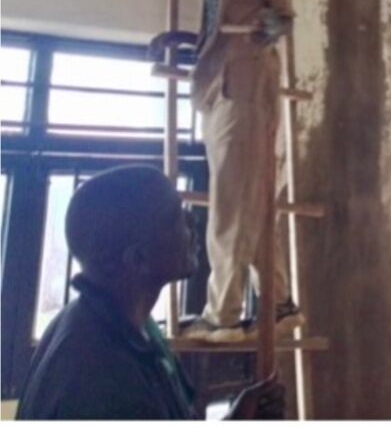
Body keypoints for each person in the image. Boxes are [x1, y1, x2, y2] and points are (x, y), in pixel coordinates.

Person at [148, 0, 302, 343]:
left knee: (231, 203)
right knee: (250, 203)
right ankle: (279, 304)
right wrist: (174, 37)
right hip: (219, 87)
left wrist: (263, 32)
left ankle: (224, 314)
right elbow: (212, 36)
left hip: (245, 88)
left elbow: (283, 18)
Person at [16, 166, 285, 420]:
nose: (192, 221)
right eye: (175, 217)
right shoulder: (102, 380)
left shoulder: (131, 326)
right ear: (138, 258)